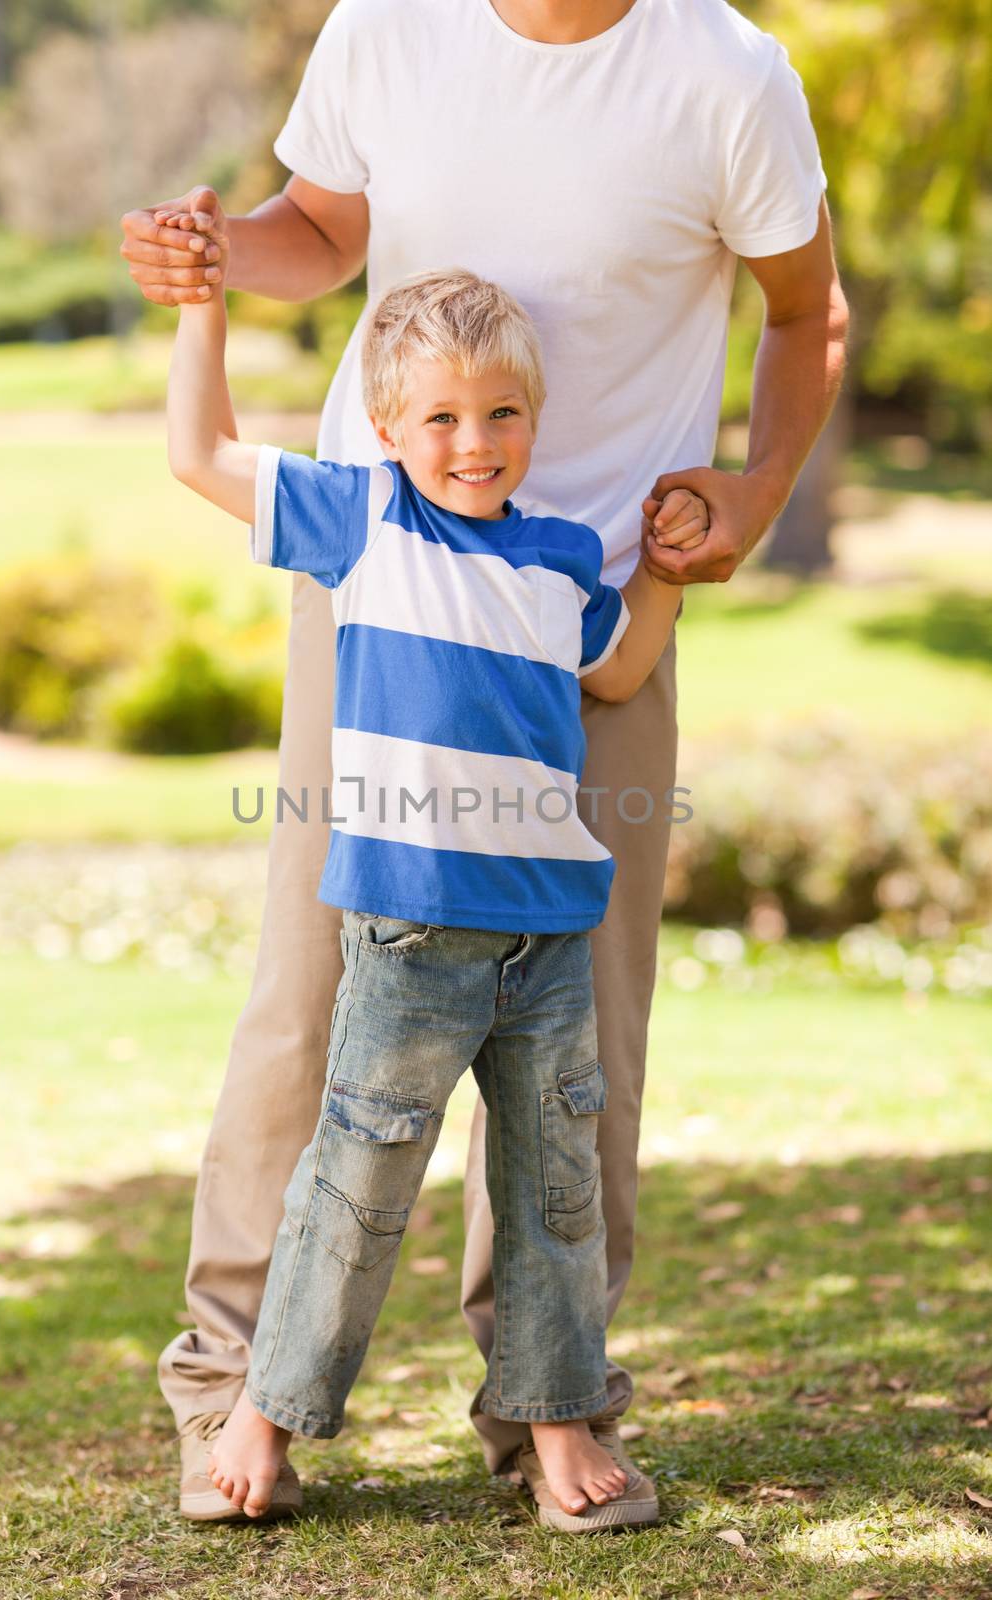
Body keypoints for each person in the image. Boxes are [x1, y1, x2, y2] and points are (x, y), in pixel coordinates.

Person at [120, 0, 848, 1520]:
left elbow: (804, 312)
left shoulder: (725, 73)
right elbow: (315, 232)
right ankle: (233, 1392)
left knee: (578, 1044)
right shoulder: (388, 26)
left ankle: (546, 1405)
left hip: (590, 614)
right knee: (311, 991)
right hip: (381, 605)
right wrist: (212, 264)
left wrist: (749, 489)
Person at [166, 259, 709, 1528]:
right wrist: (205, 306)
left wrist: (672, 571)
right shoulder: (360, 523)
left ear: (533, 415)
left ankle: (555, 1416)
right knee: (355, 1190)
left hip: (549, 939)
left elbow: (619, 672)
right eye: (442, 418)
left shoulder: (562, 559)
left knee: (551, 1193)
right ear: (388, 427)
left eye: (501, 414)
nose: (474, 443)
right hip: (410, 941)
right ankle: (265, 1405)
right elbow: (200, 453)